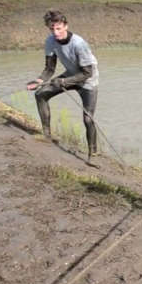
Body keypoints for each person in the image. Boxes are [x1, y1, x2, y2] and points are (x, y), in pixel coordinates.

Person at [26, 10, 100, 167]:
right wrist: (38, 81)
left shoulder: (79, 44)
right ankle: (47, 136)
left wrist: (64, 82)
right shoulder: (50, 41)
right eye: (52, 29)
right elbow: (49, 69)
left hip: (88, 81)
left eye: (59, 28)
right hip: (70, 74)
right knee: (41, 94)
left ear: (65, 26)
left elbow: (87, 73)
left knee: (88, 118)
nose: (56, 32)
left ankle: (93, 154)